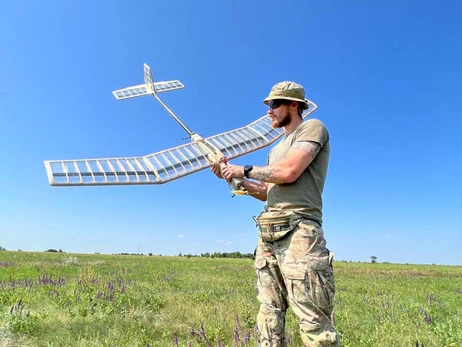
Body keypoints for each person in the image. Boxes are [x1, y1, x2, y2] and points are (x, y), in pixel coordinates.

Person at [211, 81, 340, 347]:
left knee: (313, 319)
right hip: (268, 232)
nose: (268, 111)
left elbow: (289, 172)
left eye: (273, 104)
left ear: (294, 105)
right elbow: (266, 191)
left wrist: (243, 170)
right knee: (269, 313)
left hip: (299, 231)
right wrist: (232, 178)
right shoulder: (276, 149)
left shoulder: (312, 128)